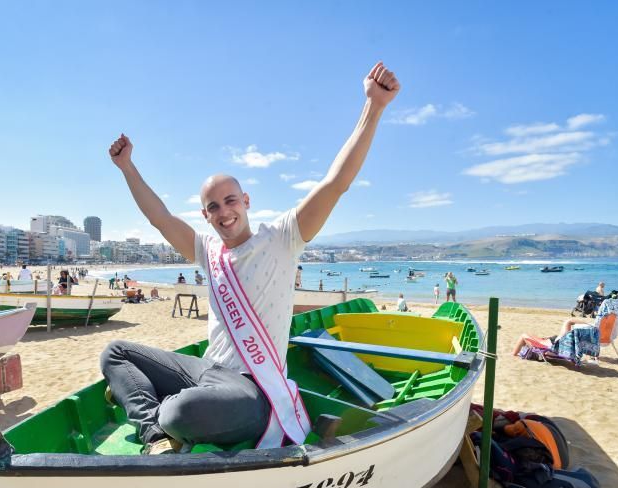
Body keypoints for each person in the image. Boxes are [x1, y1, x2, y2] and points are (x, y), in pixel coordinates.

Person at [100, 61, 400, 454]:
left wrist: (373, 107)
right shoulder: (207, 251)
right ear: (205, 215)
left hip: (251, 388)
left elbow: (335, 182)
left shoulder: (282, 238)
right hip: (205, 370)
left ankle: (152, 410)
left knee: (180, 414)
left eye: (230, 201)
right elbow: (160, 217)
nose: (224, 212)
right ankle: (154, 435)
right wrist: (127, 168)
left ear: (246, 201)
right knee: (116, 352)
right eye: (213, 207)